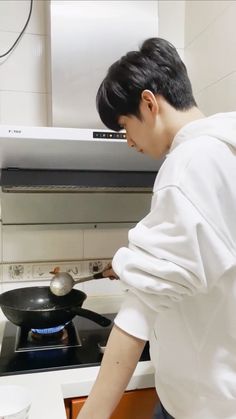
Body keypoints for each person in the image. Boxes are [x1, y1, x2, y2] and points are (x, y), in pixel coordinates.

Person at [77, 37, 236, 419]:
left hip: (202, 403)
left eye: (124, 126)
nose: (127, 141)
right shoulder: (226, 149)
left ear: (149, 103)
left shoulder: (186, 167)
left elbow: (139, 311)